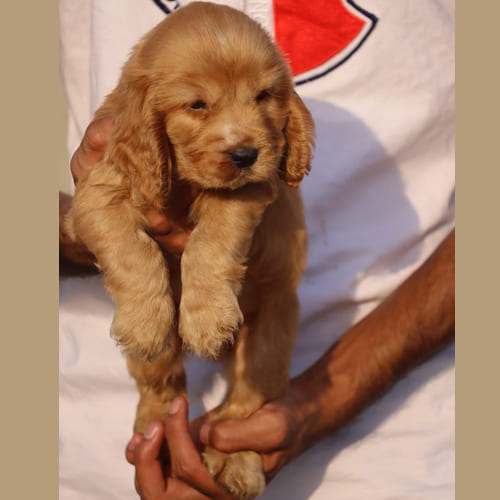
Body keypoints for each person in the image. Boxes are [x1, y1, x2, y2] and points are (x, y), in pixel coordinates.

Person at [59, 1, 455, 499]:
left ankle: (245, 418)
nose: (239, 139)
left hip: (396, 446)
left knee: (270, 309)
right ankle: (157, 396)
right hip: (82, 436)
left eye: (263, 96)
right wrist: (104, 239)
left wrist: (316, 405)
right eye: (197, 106)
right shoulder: (135, 108)